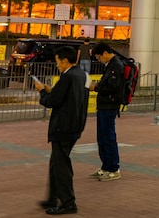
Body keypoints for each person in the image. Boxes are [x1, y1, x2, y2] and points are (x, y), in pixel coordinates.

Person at [34, 46, 88, 215]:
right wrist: (51, 90)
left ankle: (68, 202)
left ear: (65, 60)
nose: (57, 65)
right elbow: (69, 96)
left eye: (58, 62)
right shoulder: (82, 74)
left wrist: (42, 92)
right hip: (76, 125)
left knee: (61, 165)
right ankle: (53, 197)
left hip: (62, 126)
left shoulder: (67, 76)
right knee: (56, 164)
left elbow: (52, 101)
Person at [90, 42, 125, 182]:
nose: (99, 60)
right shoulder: (110, 65)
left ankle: (114, 168)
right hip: (104, 105)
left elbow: (113, 87)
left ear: (105, 53)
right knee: (102, 137)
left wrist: (96, 88)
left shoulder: (116, 65)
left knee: (109, 137)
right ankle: (105, 166)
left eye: (99, 57)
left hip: (109, 106)